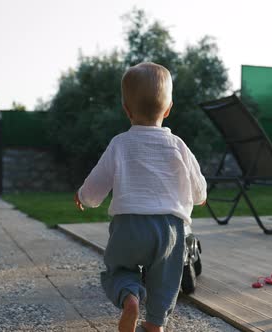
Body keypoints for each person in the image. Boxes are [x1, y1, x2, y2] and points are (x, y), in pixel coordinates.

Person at [74, 62, 207, 332]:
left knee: (120, 269)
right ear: (168, 109)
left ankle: (130, 296)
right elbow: (197, 184)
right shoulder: (178, 145)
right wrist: (200, 196)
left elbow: (97, 182)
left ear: (126, 110)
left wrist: (84, 197)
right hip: (170, 229)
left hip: (128, 227)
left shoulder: (120, 143)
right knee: (166, 279)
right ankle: (155, 324)